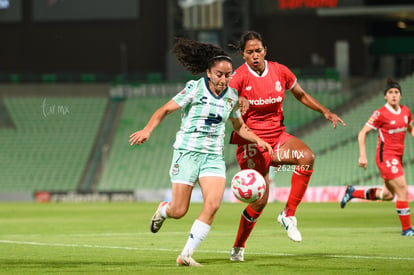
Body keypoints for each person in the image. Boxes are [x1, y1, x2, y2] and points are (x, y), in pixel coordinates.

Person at [129, 37, 273, 266]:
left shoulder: (232, 97)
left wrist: (258, 140)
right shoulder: (194, 89)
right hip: (187, 153)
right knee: (179, 210)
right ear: (208, 72)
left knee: (213, 204)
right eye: (219, 75)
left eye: (228, 76)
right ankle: (163, 211)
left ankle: (185, 254)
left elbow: (239, 127)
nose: (224, 80)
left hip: (213, 158)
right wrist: (148, 130)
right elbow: (164, 109)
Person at [228, 30, 345, 261]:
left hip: (278, 138)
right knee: (259, 202)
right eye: (249, 52)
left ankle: (288, 215)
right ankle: (238, 247)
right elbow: (225, 105)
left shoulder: (280, 71)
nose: (255, 55)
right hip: (252, 142)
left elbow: (300, 94)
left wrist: (325, 111)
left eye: (258, 51)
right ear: (243, 55)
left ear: (265, 51)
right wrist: (235, 99)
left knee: (307, 157)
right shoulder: (238, 78)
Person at [340, 77, 414, 236]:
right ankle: (407, 229)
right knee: (403, 190)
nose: (394, 95)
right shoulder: (380, 113)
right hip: (386, 156)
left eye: (396, 92)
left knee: (387, 195)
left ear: (400, 96)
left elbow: (409, 127)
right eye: (390, 92)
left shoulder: (406, 111)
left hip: (398, 157)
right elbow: (362, 133)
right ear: (385, 96)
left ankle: (352, 192)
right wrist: (362, 156)